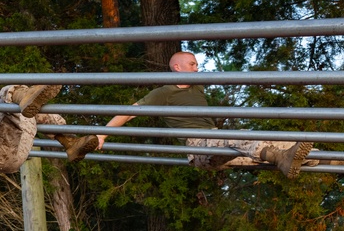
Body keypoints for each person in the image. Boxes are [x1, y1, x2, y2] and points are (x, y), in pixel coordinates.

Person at [96, 51, 313, 178]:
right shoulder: (164, 92)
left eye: (197, 65)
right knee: (241, 135)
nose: (197, 69)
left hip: (224, 147)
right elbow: (129, 112)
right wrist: (102, 135)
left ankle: (325, 160)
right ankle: (280, 158)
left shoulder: (197, 87)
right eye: (192, 64)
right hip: (198, 147)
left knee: (281, 143)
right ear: (177, 68)